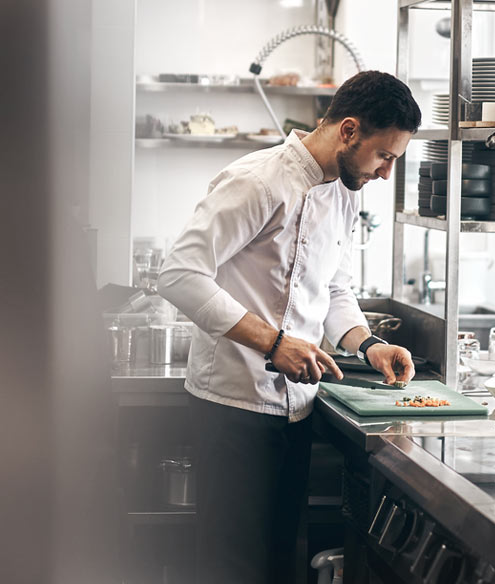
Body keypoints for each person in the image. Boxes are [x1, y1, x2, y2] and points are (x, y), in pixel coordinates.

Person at [157, 70, 421, 583]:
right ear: (349, 131)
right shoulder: (256, 181)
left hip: (297, 410)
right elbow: (179, 275)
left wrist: (368, 344)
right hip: (231, 407)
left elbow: (334, 288)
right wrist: (273, 343)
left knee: (278, 564)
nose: (387, 173)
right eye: (385, 157)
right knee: (230, 569)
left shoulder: (346, 189)